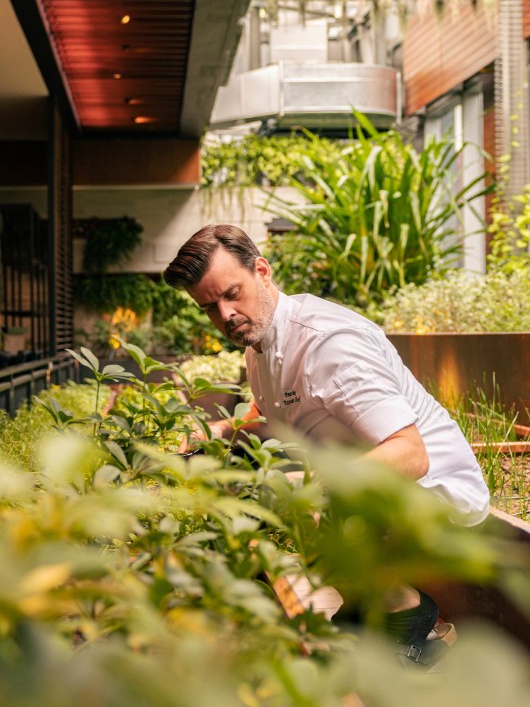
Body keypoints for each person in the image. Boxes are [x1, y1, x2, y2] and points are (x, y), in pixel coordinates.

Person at [163, 224, 490, 659]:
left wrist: (311, 481)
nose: (225, 315)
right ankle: (365, 607)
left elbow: (411, 454)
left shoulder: (329, 344)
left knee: (286, 490)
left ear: (262, 270)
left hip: (434, 494)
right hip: (365, 489)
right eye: (210, 307)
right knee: (247, 465)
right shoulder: (259, 344)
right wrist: (221, 430)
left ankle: (407, 609)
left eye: (231, 294)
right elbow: (275, 413)